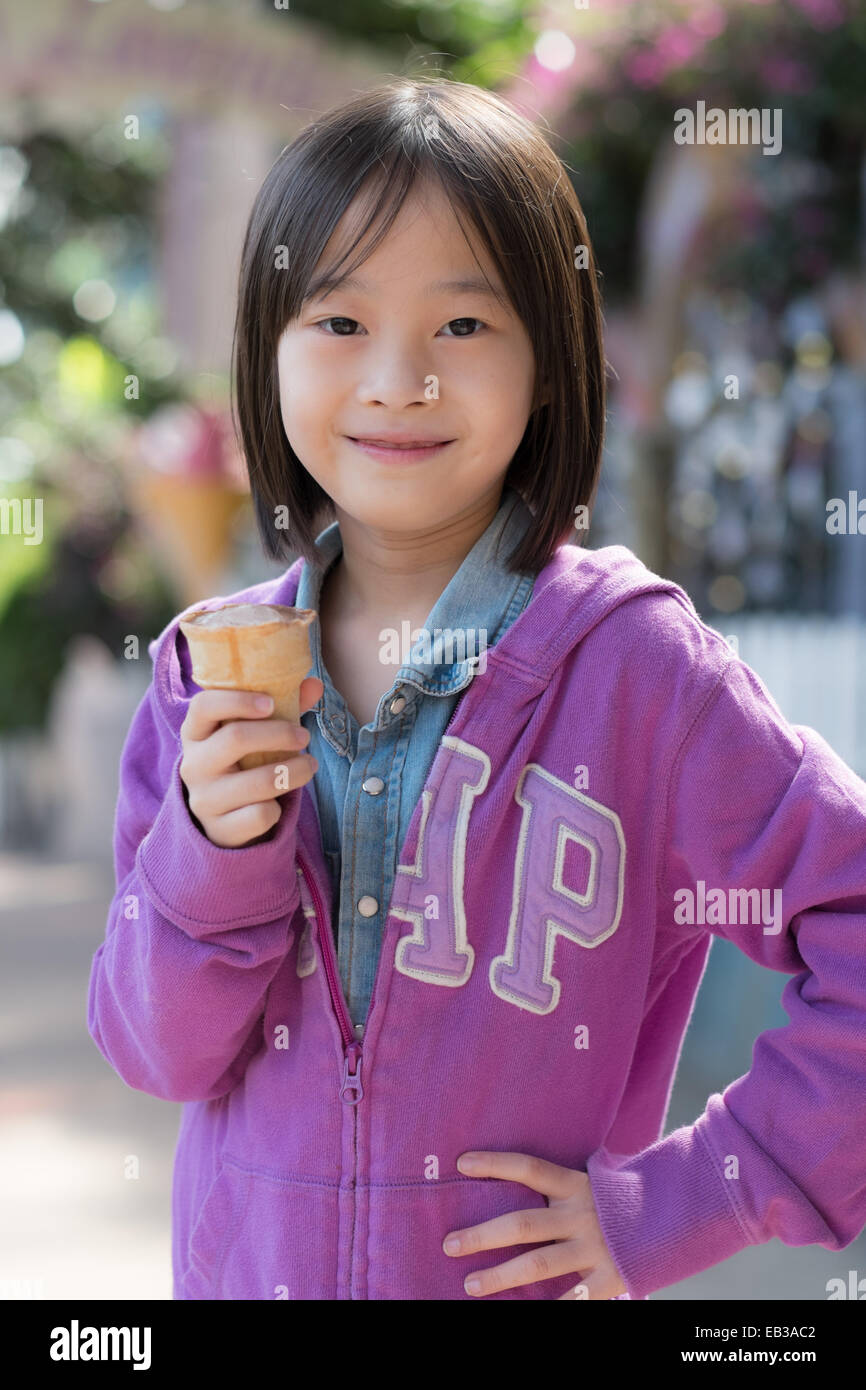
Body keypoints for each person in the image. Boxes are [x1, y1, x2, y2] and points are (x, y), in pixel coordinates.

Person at [88, 78, 866, 1301]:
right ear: (267, 351)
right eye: (336, 323)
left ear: (550, 362)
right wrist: (209, 847)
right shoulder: (203, 676)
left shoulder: (635, 673)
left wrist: (690, 1196)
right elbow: (155, 1052)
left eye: (460, 326)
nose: (397, 380)